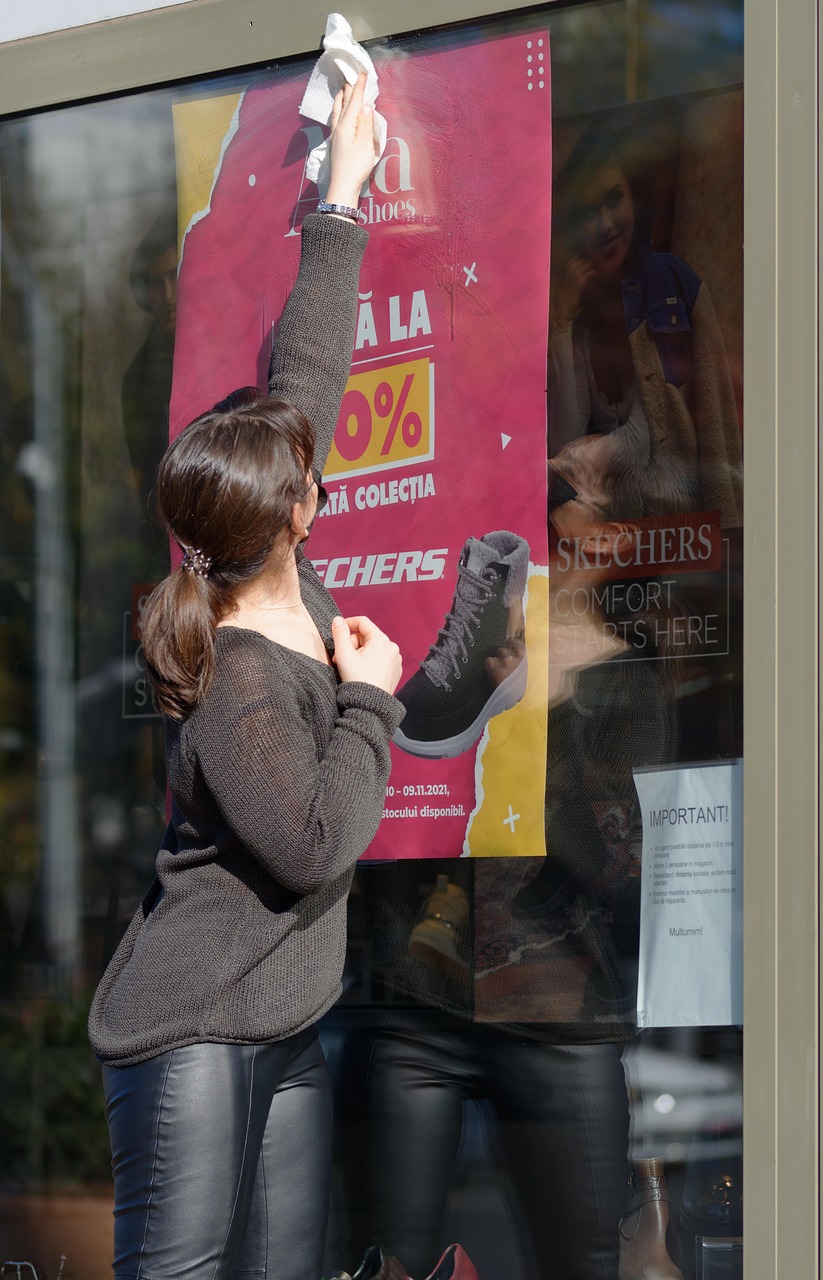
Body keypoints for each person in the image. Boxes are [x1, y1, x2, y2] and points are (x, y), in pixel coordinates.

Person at [88, 76, 404, 1280]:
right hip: (193, 1029)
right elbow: (313, 840)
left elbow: (307, 368)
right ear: (299, 514)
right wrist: (372, 696)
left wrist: (342, 183)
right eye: (307, 467)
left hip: (275, 1017)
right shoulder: (243, 680)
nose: (315, 456)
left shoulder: (271, 573)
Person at [549, 119, 742, 528]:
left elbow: (649, 436)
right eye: (588, 213)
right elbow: (566, 430)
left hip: (674, 514)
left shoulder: (665, 281)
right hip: (608, 517)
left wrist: (565, 467)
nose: (605, 224)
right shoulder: (585, 308)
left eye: (614, 199)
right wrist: (563, 323)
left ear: (635, 197)